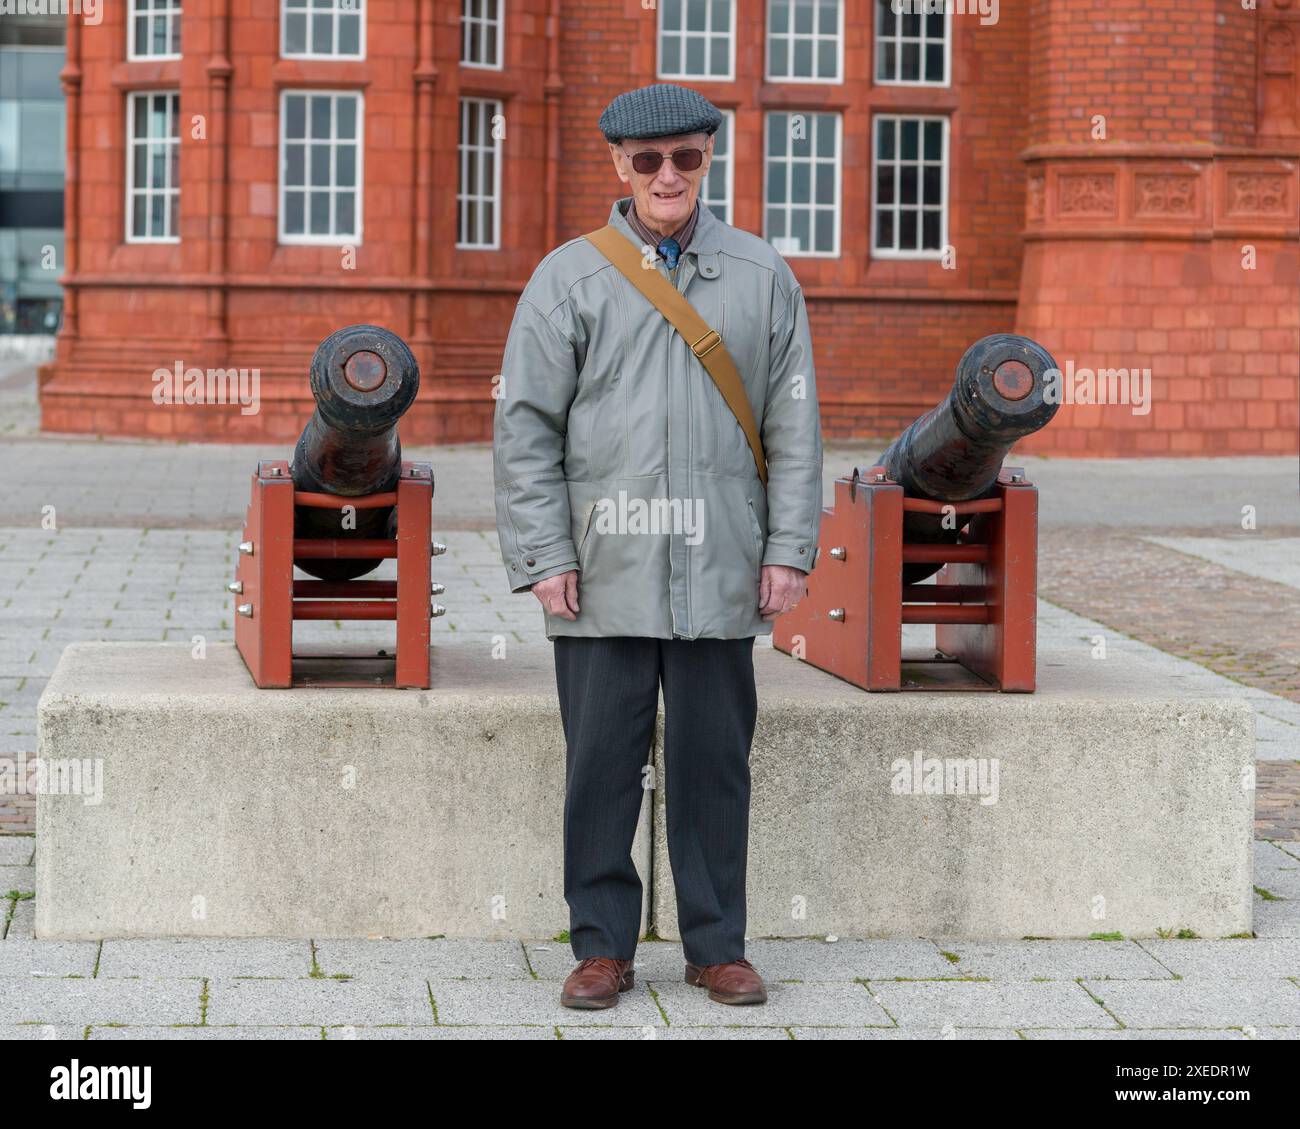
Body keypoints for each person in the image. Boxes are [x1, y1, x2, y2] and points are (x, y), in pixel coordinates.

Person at [492, 82, 823, 1009]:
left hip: (720, 564)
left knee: (715, 760)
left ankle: (718, 946)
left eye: (686, 156)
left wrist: (789, 546)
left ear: (709, 158)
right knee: (600, 761)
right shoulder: (569, 278)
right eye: (648, 161)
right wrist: (544, 554)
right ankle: (602, 947)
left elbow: (795, 428)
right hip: (605, 568)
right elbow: (524, 427)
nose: (667, 175)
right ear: (620, 167)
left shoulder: (763, 276)